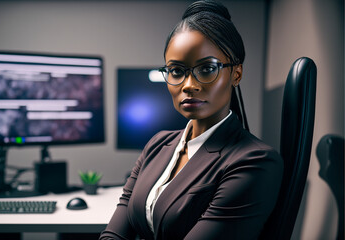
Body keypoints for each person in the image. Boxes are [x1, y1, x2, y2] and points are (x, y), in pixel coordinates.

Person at [99, 0, 283, 239]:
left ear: (236, 74)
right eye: (176, 71)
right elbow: (114, 234)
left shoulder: (254, 161)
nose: (188, 85)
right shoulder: (157, 144)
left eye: (207, 69)